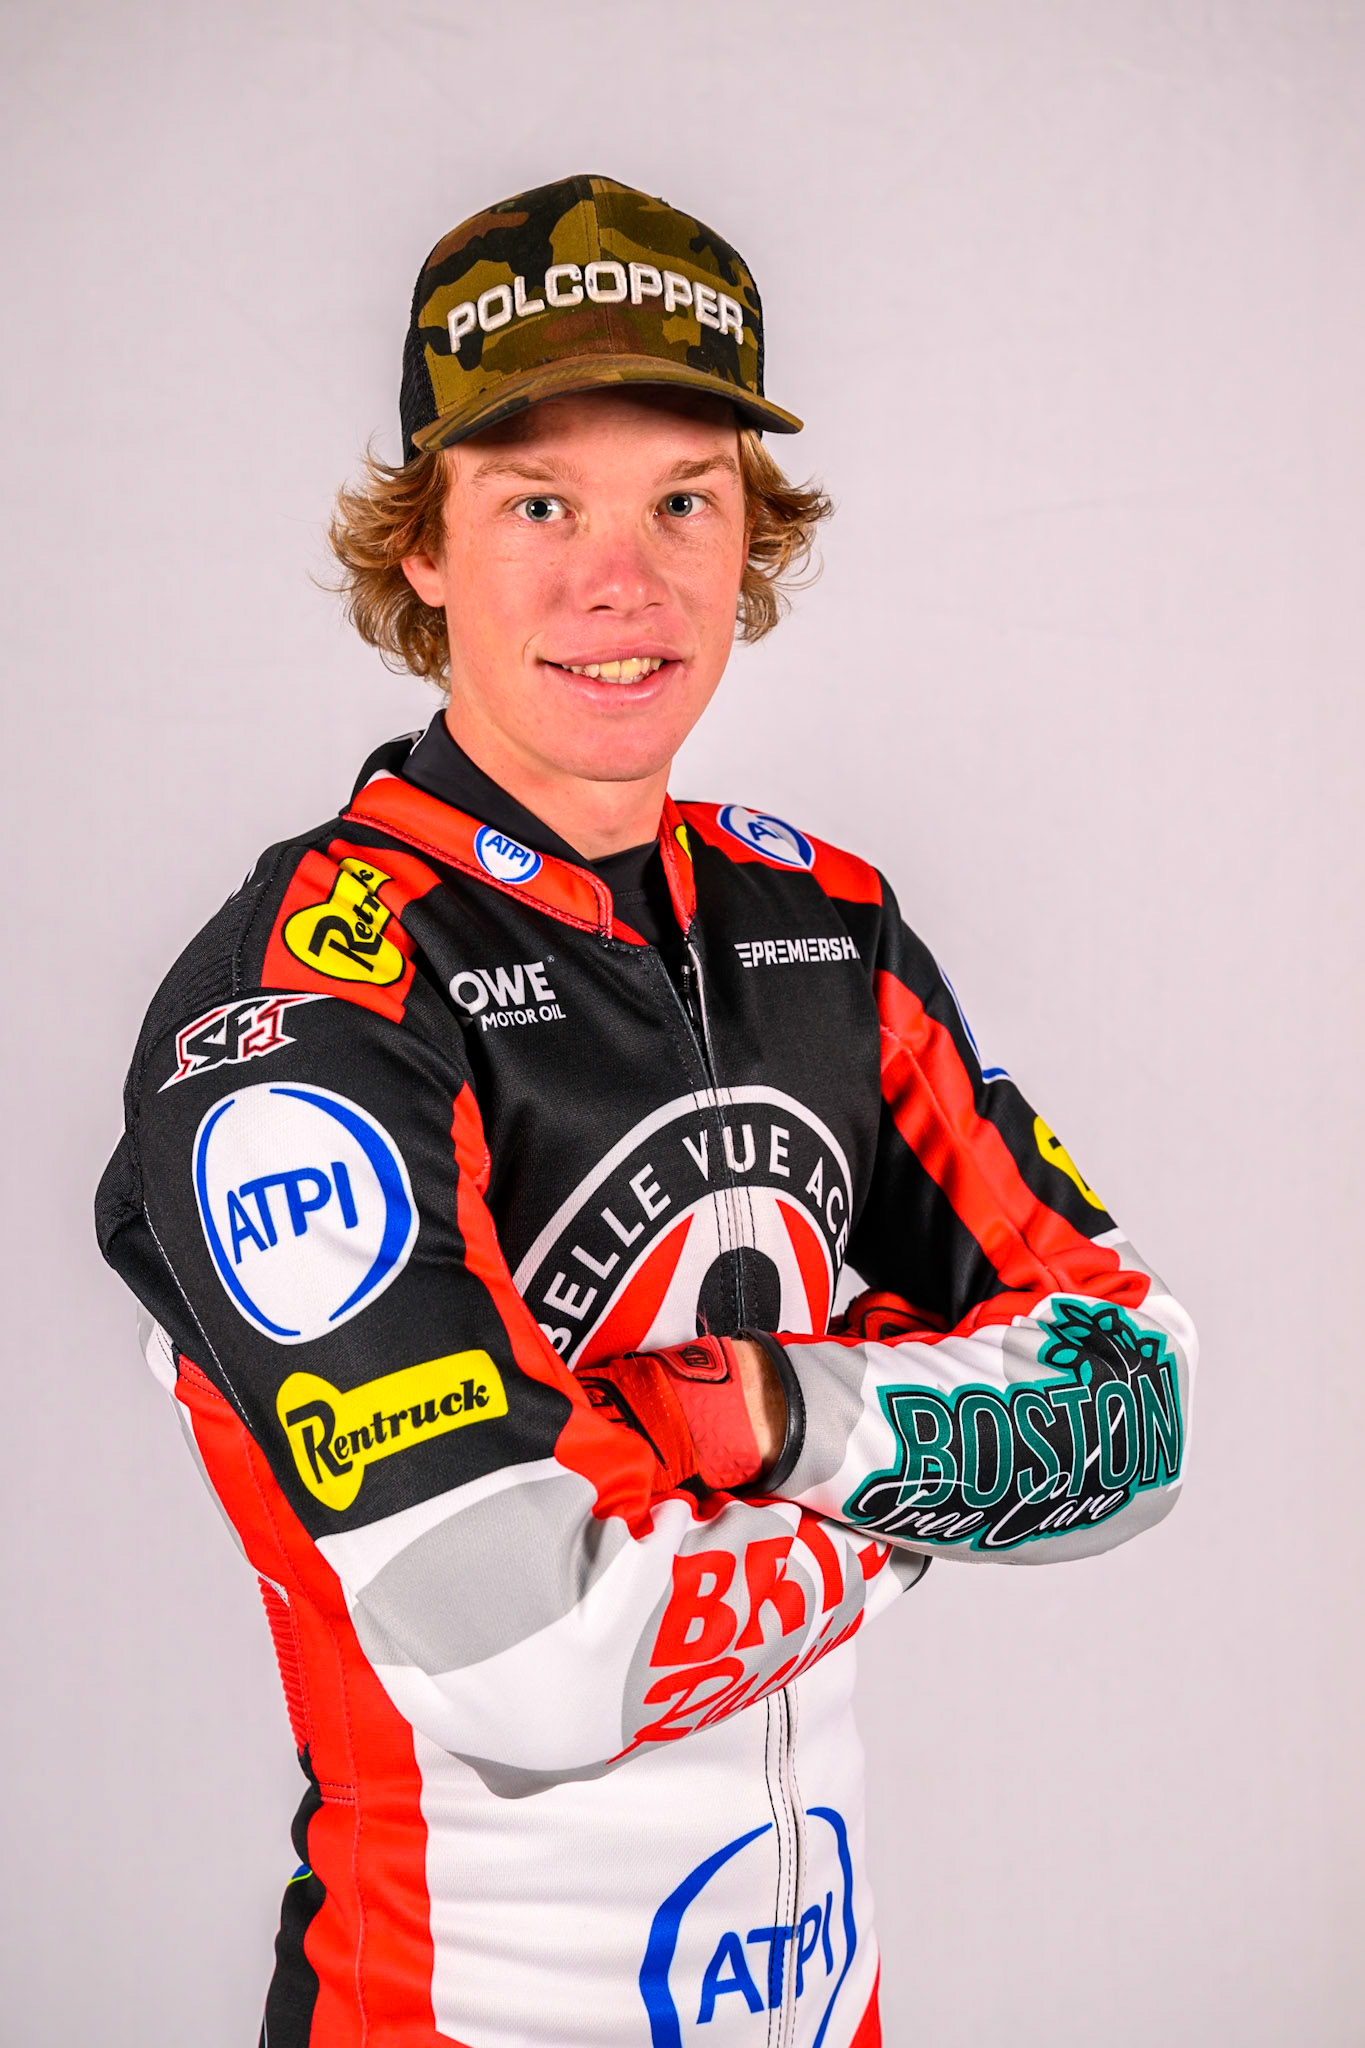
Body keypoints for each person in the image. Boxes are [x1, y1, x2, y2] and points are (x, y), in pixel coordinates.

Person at [96, 173, 1196, 2048]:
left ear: (751, 528)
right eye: (538, 505)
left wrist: (774, 1413)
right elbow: (531, 1661)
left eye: (684, 499)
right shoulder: (306, 1005)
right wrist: (930, 1486)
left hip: (823, 2002)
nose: (624, 581)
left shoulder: (826, 930)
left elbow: (1140, 1412)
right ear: (421, 548)